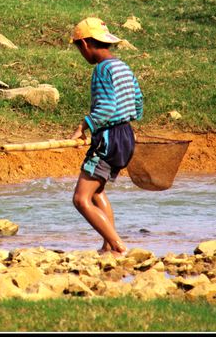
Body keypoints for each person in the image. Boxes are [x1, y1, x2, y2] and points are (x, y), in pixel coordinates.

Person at [68, 17, 143, 255]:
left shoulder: (102, 69)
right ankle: (108, 245)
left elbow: (107, 107)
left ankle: (118, 246)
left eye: (79, 48)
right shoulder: (123, 66)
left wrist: (84, 126)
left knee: (81, 199)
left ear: (86, 44)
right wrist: (124, 121)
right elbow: (138, 102)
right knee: (97, 191)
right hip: (125, 137)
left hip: (109, 138)